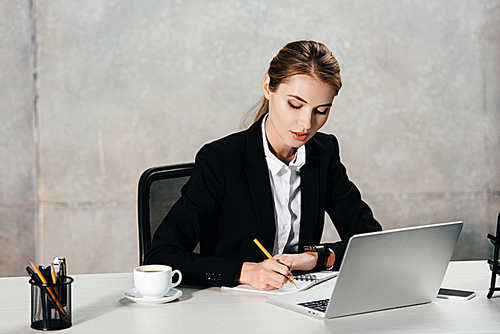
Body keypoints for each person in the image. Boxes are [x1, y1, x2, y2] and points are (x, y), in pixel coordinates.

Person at [145, 40, 382, 290]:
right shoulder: (220, 159)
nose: (306, 124)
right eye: (295, 105)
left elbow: (373, 243)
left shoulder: (324, 154)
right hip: (232, 306)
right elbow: (161, 256)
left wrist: (317, 257)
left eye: (321, 111)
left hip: (296, 301)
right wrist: (246, 272)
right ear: (268, 87)